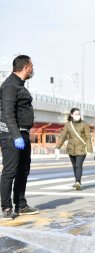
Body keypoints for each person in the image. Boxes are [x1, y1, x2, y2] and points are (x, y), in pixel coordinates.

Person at [0, 55, 39, 220]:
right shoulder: (10, 85)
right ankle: (7, 207)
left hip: (21, 133)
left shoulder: (19, 84)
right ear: (26, 67)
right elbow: (8, 113)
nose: (33, 69)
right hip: (11, 134)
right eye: (32, 65)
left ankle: (21, 205)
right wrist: (16, 136)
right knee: (10, 171)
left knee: (23, 170)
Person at [55, 108, 93, 190]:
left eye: (79, 114)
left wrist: (89, 149)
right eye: (76, 114)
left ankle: (78, 182)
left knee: (78, 165)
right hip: (71, 149)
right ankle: (77, 182)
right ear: (72, 115)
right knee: (74, 166)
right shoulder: (68, 125)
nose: (78, 116)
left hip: (81, 148)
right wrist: (58, 147)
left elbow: (88, 137)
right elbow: (63, 136)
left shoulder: (84, 124)